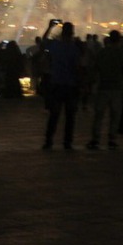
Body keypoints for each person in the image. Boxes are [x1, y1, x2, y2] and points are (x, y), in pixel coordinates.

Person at [86, 31, 123, 149]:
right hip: (117, 87)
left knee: (99, 115)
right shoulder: (120, 53)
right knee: (115, 115)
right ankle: (112, 139)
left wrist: (90, 83)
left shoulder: (102, 52)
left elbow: (94, 69)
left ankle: (95, 139)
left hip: (103, 86)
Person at [42, 19, 83, 150]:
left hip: (56, 84)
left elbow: (43, 42)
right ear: (72, 33)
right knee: (70, 116)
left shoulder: (55, 46)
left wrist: (49, 28)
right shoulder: (74, 48)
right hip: (70, 85)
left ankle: (49, 141)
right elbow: (77, 67)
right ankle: (67, 142)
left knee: (54, 115)